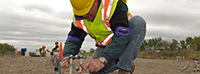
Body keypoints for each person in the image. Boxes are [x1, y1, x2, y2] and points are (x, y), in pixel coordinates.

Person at [60, 0, 146, 74]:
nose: (84, 16)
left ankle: (125, 67)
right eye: (81, 13)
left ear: (96, 2)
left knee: (138, 22)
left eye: (87, 11)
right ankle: (116, 62)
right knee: (94, 70)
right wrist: (67, 55)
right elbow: (74, 38)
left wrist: (103, 59)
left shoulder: (112, 6)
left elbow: (122, 35)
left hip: (124, 40)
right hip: (106, 46)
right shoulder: (79, 17)